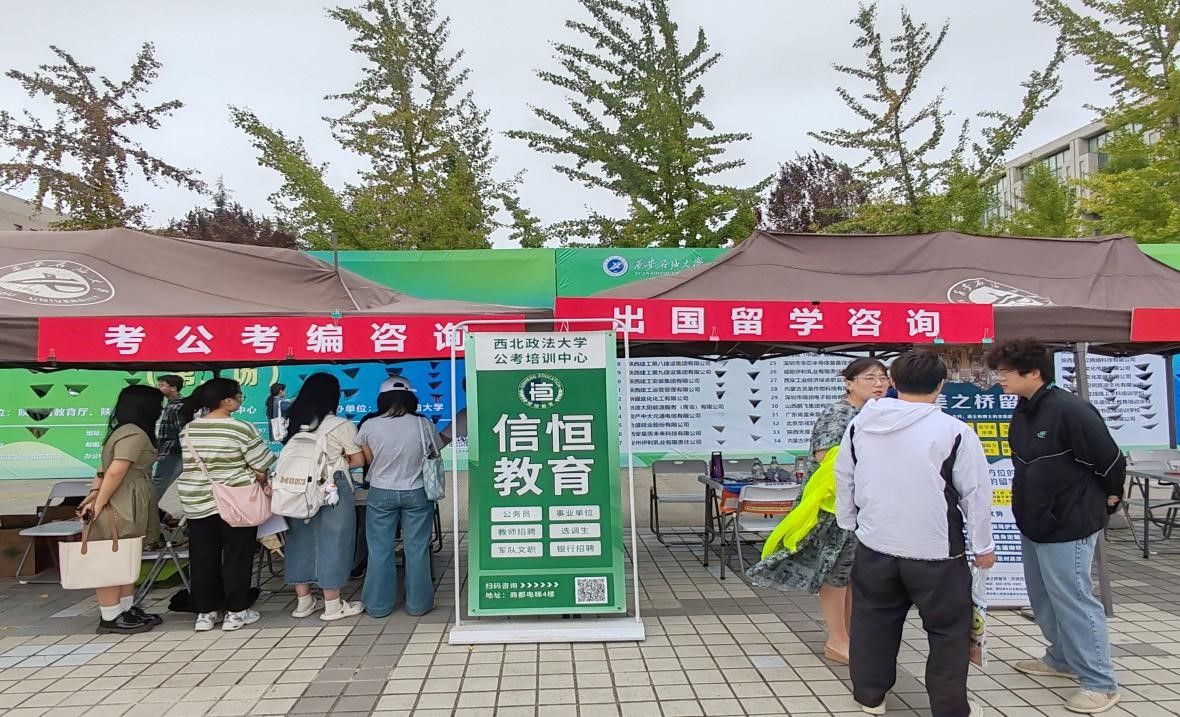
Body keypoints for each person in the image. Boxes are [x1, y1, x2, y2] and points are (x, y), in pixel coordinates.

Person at [836, 350, 994, 717]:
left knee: (872, 622)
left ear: (892, 382)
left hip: (875, 544)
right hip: (937, 551)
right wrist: (983, 546)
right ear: (941, 384)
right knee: (947, 632)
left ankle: (870, 697)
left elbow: (844, 477)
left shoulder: (861, 424)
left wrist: (850, 523)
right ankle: (949, 707)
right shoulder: (954, 431)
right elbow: (975, 494)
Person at [987, 339, 1123, 714]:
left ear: (1034, 373)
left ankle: (1100, 682)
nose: (1000, 379)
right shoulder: (1025, 407)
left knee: (1073, 598)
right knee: (1043, 595)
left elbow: (1111, 462)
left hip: (1070, 521)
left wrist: (1110, 499)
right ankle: (1061, 658)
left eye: (1005, 372)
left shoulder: (1071, 409)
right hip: (1034, 519)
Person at [746, 357, 888, 664]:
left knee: (850, 573)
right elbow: (827, 456)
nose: (878, 384)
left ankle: (848, 635)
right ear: (849, 383)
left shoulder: (874, 413)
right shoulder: (839, 413)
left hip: (859, 506)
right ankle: (838, 639)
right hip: (832, 507)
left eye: (883, 378)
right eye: (870, 378)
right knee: (835, 572)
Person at [177, 378, 276, 632]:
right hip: (236, 500)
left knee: (202, 557)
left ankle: (205, 613)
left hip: (198, 501)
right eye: (239, 395)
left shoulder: (188, 429)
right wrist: (257, 475)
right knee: (237, 556)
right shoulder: (240, 428)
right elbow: (262, 462)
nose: (241, 399)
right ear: (226, 401)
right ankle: (236, 612)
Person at [77, 384, 166, 634]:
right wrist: (99, 502)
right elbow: (116, 470)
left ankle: (125, 608)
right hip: (124, 497)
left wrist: (94, 494)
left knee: (126, 555)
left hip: (126, 494)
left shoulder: (122, 430)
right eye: (157, 405)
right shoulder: (134, 433)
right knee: (112, 558)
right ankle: (110, 615)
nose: (160, 410)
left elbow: (102, 469)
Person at [282, 373, 366, 621]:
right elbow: (358, 460)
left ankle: (304, 602)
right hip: (332, 486)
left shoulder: (296, 421)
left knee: (300, 541)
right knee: (334, 541)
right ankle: (332, 605)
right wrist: (339, 461)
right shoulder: (341, 425)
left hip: (298, 488)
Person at [358, 378, 440, 618]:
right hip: (417, 491)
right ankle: (418, 605)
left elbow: (368, 460)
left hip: (381, 491)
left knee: (379, 549)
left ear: (381, 399)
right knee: (417, 549)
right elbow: (434, 451)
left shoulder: (369, 425)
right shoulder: (423, 424)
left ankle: (378, 606)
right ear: (410, 397)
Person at [153, 374, 187, 499]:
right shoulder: (171, 404)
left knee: (160, 482)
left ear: (173, 388)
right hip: (168, 451)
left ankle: (154, 507)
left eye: (162, 385)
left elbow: (182, 431)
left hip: (172, 452)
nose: (159, 388)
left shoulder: (177, 406)